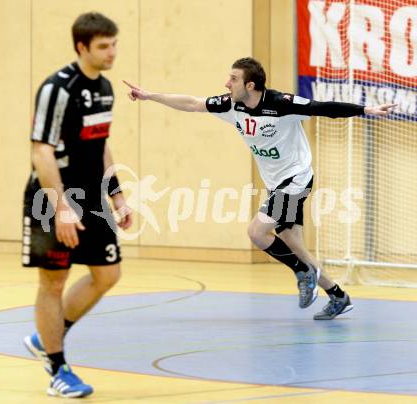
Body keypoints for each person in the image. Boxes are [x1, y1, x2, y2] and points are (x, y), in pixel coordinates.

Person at [123, 57, 394, 320]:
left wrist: (364, 110)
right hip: (276, 183)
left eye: (233, 79)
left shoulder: (282, 104)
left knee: (257, 231)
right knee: (292, 242)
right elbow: (192, 103)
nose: (227, 83)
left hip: (296, 179)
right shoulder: (231, 106)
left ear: (250, 85)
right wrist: (150, 96)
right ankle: (337, 295)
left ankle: (302, 272)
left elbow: (321, 107)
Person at [22, 12, 132, 398]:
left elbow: (100, 143)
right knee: (53, 282)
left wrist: (116, 194)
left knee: (108, 274)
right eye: (104, 46)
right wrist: (60, 207)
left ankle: (48, 336)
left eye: (114, 44)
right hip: (50, 197)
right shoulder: (58, 88)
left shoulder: (104, 87)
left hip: (92, 196)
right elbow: (41, 150)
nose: (112, 52)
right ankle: (57, 368)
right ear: (82, 47)